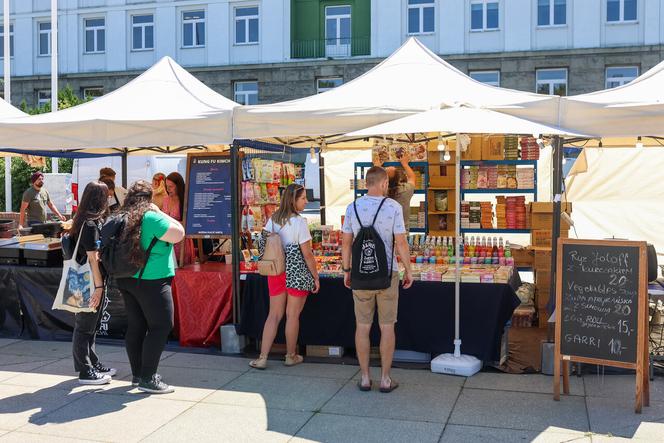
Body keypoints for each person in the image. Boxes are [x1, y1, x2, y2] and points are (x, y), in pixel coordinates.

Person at [341, 166, 413, 393]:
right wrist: (408, 270)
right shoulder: (393, 207)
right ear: (383, 184)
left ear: (365, 183)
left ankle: (364, 378)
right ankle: (384, 379)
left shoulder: (352, 207)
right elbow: (400, 243)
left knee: (362, 327)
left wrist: (346, 270)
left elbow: (346, 243)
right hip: (387, 274)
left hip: (360, 275)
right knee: (387, 327)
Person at [116, 180, 185, 394]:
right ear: (148, 199)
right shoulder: (151, 217)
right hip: (153, 279)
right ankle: (148, 377)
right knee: (162, 325)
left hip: (126, 278)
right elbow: (179, 233)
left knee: (136, 326)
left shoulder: (122, 217)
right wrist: (158, 211)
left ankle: (138, 374)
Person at [249, 183, 320, 370]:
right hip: (296, 270)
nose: (306, 201)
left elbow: (262, 244)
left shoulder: (273, 220)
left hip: (276, 269)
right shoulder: (299, 223)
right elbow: (307, 254)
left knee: (274, 315)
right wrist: (316, 276)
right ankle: (290, 355)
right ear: (293, 200)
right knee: (292, 315)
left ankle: (263, 357)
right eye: (303, 198)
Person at [66, 180, 117, 385]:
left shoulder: (85, 220)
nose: (109, 199)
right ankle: (85, 370)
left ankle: (92, 362)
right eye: (107, 196)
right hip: (88, 280)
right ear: (100, 199)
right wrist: (99, 286)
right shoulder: (89, 224)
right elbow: (92, 258)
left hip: (84, 279)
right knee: (85, 325)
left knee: (90, 325)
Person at [376, 152, 417, 230]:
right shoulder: (406, 190)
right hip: (402, 230)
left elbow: (372, 181)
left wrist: (376, 168)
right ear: (399, 179)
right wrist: (405, 164)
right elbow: (412, 177)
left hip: (384, 230)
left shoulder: (379, 191)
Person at [163, 172, 195, 265]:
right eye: (167, 186)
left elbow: (189, 223)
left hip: (182, 242)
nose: (168, 189)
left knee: (183, 269)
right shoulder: (165, 200)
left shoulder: (185, 200)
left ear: (178, 186)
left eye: (171, 186)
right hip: (167, 241)